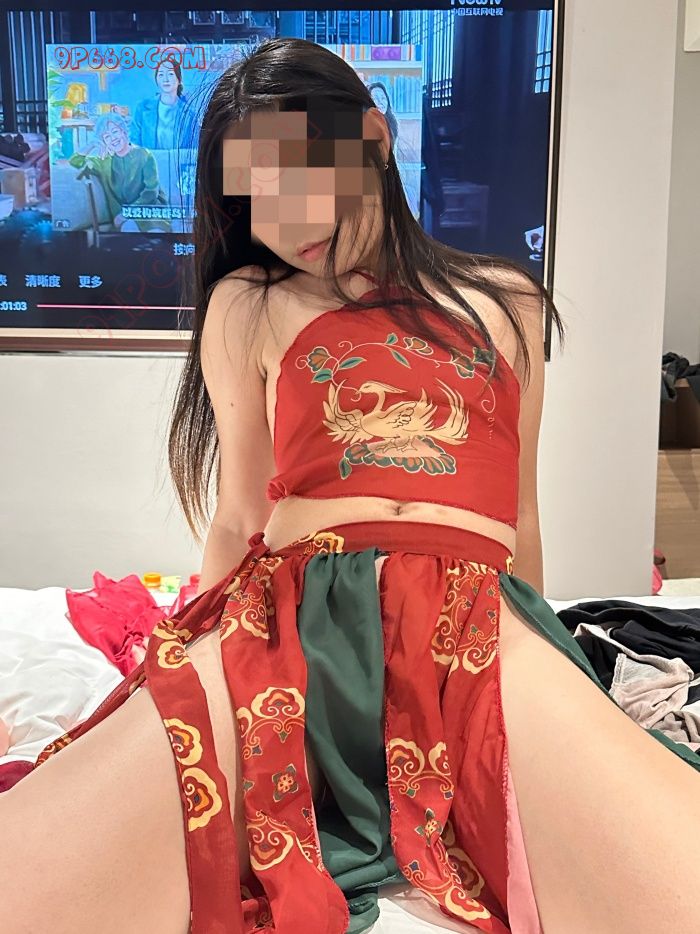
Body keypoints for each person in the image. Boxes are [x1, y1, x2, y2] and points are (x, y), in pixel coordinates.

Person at [3, 36, 700, 934]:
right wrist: (188, 650)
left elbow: (519, 513)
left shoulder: (506, 302)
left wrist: (542, 649)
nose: (279, 220)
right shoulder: (251, 301)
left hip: (470, 627)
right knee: (29, 878)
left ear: (373, 135)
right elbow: (241, 516)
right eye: (251, 197)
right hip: (289, 622)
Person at [69, 112, 170, 232]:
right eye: (107, 137)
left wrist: (127, 213)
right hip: (126, 221)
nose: (113, 139)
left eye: (115, 132)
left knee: (153, 232)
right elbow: (75, 161)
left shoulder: (144, 155)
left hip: (149, 213)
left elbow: (151, 192)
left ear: (124, 131)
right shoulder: (103, 162)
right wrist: (92, 144)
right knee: (129, 227)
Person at [130, 56, 192, 151]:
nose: (165, 79)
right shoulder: (142, 108)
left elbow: (193, 149)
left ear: (179, 80)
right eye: (161, 75)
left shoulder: (189, 114)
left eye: (170, 74)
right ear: (156, 80)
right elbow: (134, 144)